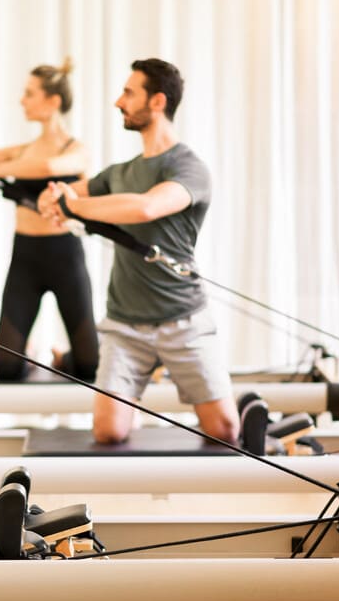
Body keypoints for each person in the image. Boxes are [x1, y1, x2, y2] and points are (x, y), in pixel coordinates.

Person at [38, 59, 240, 445]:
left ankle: (242, 405)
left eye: (129, 93)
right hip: (125, 324)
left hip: (182, 319)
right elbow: (71, 191)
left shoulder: (188, 167)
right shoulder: (119, 172)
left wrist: (72, 207)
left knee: (226, 431)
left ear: (158, 101)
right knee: (109, 432)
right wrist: (55, 197)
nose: (118, 101)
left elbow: (146, 207)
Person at [0, 58, 99, 382]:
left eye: (29, 93)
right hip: (26, 259)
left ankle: (61, 357)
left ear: (52, 101)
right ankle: (28, 353)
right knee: (8, 369)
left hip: (66, 258)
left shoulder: (77, 150)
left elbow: (49, 169)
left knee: (88, 367)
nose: (21, 101)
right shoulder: (23, 151)